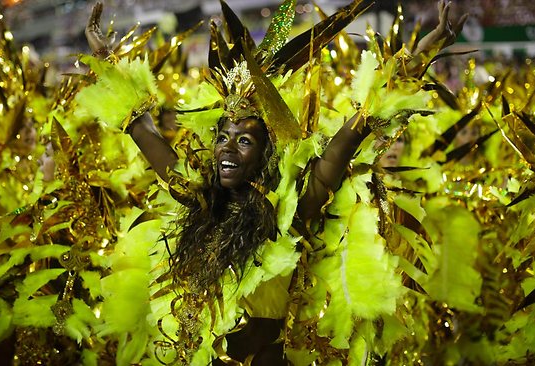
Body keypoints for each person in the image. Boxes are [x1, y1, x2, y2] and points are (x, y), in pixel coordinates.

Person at [85, 1, 466, 363]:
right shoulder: (199, 196)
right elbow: (140, 127)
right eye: (222, 137)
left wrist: (416, 60)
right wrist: (106, 61)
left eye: (244, 140)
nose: (227, 149)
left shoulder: (291, 210)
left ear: (266, 153)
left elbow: (355, 131)